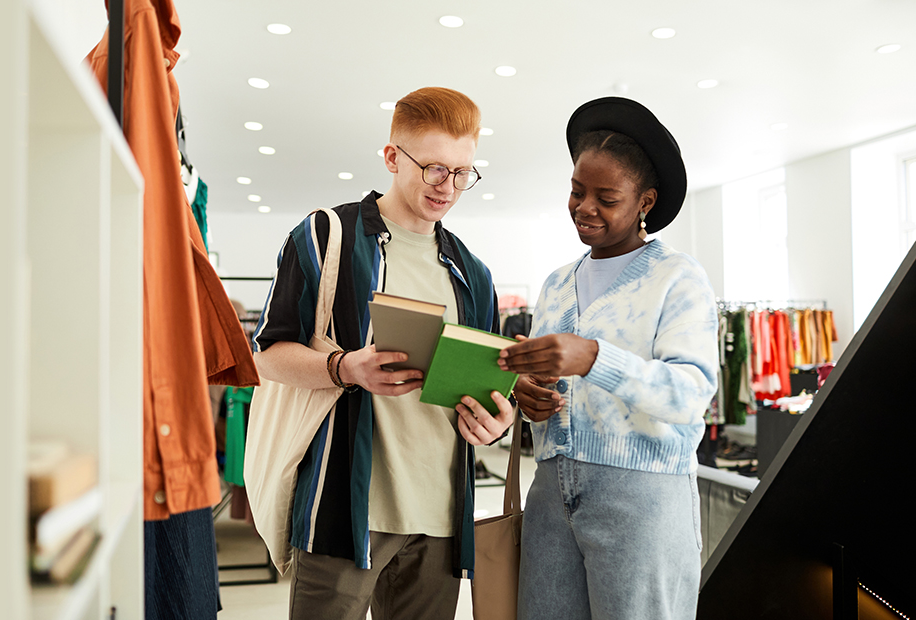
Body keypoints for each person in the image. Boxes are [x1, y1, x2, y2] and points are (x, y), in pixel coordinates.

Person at [252, 86, 515, 620]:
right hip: (343, 511)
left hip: (441, 522)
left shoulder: (475, 274)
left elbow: (483, 387)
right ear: (393, 157)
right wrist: (344, 367)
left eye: (465, 172)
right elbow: (268, 354)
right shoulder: (327, 235)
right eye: (435, 169)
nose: (451, 187)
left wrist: (497, 420)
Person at [498, 97, 719, 619]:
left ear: (645, 201)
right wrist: (525, 395)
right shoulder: (555, 284)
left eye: (606, 197)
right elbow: (544, 381)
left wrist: (596, 357)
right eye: (576, 191)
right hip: (551, 494)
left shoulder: (678, 277)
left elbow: (691, 394)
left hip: (641, 498)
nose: (584, 207)